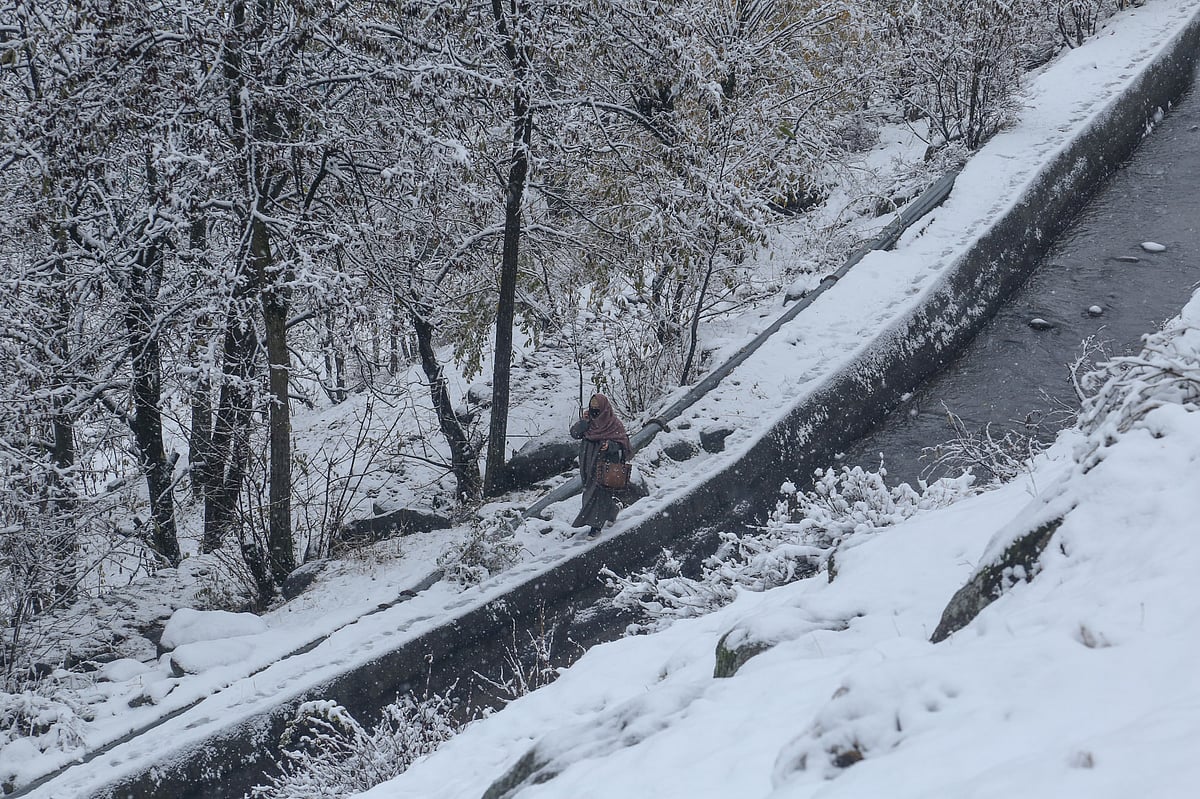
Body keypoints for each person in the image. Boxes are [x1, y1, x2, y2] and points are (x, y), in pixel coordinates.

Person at [569, 393, 632, 537]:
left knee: (597, 492)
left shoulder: (613, 423)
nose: (594, 411)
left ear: (604, 408)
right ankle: (612, 510)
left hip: (604, 462)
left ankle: (595, 527)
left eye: (597, 408)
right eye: (592, 408)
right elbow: (574, 434)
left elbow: (624, 444)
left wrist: (610, 446)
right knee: (589, 490)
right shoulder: (589, 422)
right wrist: (583, 423)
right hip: (586, 461)